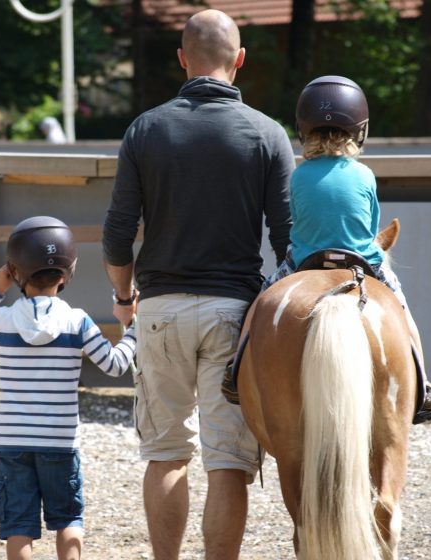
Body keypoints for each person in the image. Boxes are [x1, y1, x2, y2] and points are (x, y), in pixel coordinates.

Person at [102, 9, 295, 560]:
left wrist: (123, 296)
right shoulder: (267, 133)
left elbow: (118, 234)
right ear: (239, 59)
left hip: (160, 309)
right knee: (229, 461)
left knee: (165, 454)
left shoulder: (146, 129)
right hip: (235, 313)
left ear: (183, 59)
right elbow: (286, 243)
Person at [261, 75, 431, 425]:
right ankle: (424, 383)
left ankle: (235, 365)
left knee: (261, 303)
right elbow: (372, 224)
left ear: (304, 131)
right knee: (403, 315)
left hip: (305, 261)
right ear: (359, 131)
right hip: (364, 262)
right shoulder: (365, 174)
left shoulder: (298, 176)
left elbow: (295, 223)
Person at [0, 216, 137, 560]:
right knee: (68, 519)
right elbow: (116, 365)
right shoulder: (77, 320)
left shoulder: (2, 318)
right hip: (59, 441)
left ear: (15, 271)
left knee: (19, 525)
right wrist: (133, 327)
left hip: (12, 442)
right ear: (67, 272)